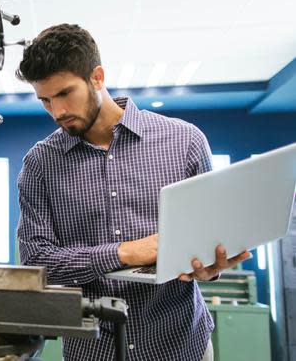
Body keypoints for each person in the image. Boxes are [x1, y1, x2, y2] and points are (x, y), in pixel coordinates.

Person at [15, 24, 251, 361]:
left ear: (97, 77)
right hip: (92, 351)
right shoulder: (40, 164)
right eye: (45, 100)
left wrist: (212, 266)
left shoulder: (185, 142)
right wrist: (123, 253)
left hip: (180, 345)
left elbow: (209, 241)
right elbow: (38, 263)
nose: (57, 111)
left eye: (65, 93)